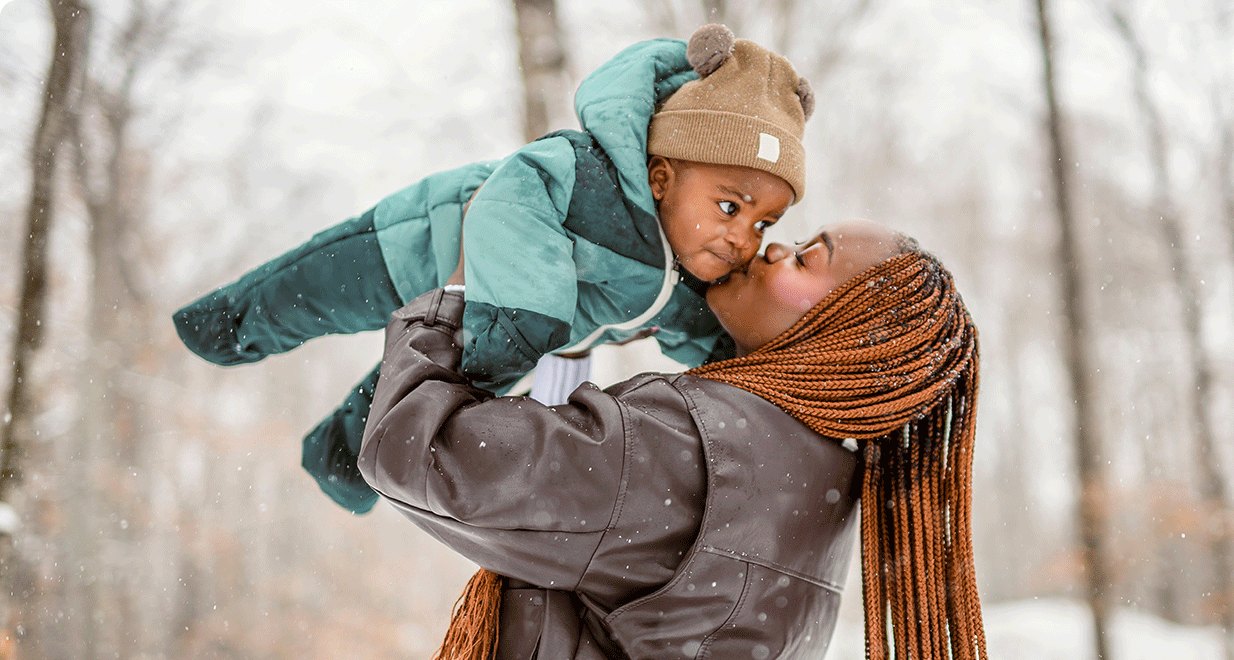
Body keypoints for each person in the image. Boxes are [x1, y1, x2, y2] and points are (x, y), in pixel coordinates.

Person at [359, 220, 998, 660]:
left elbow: (419, 449)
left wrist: (462, 290)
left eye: (807, 258)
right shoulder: (822, 465)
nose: (775, 246)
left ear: (845, 334)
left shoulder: (691, 442)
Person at [170, 24, 813, 515]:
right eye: (730, 206)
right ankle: (220, 327)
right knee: (305, 295)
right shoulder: (592, 178)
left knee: (409, 396)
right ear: (660, 176)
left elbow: (703, 344)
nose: (742, 237)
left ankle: (338, 462)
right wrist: (528, 312)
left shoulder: (683, 281)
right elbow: (514, 191)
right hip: (420, 248)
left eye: (763, 224)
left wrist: (745, 374)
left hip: (500, 339)